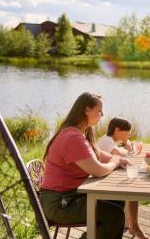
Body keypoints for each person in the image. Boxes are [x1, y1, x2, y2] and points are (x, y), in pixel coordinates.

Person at [39, 92, 128, 239]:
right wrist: (115, 162)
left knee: (116, 200)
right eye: (99, 110)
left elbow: (97, 153)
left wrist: (116, 158)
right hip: (60, 204)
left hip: (71, 196)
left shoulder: (79, 132)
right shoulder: (72, 137)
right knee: (114, 215)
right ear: (87, 110)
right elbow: (98, 171)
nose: (102, 114)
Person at [96, 118, 148, 239]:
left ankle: (131, 224)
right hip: (100, 183)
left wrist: (126, 146)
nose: (129, 134)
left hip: (106, 176)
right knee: (131, 185)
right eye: (128, 131)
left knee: (132, 183)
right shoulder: (107, 140)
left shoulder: (109, 139)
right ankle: (131, 225)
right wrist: (128, 148)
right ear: (117, 130)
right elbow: (117, 154)